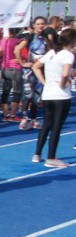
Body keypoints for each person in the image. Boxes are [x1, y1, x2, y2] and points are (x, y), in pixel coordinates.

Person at [31, 28, 74, 167]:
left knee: (47, 124)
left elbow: (35, 67)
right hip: (60, 96)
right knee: (56, 126)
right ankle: (51, 158)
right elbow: (65, 73)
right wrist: (62, 84)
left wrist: (44, 82)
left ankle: (37, 153)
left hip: (48, 94)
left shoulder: (51, 53)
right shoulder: (68, 55)